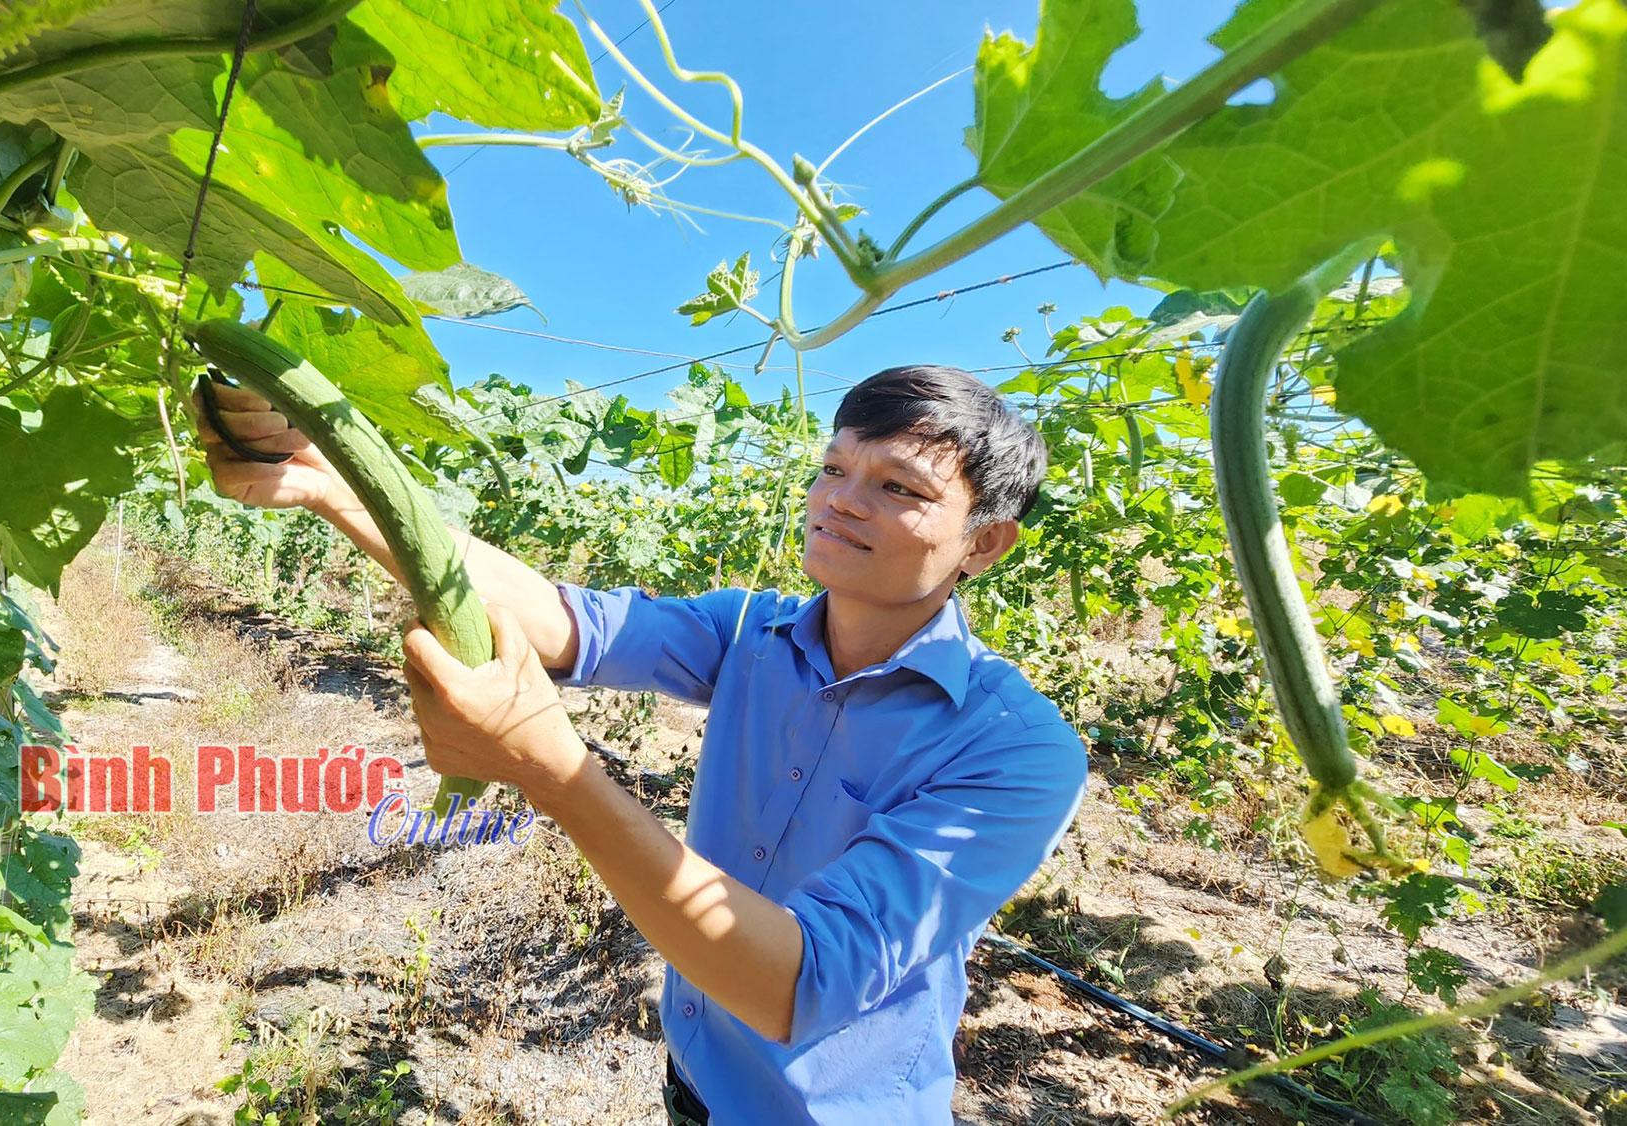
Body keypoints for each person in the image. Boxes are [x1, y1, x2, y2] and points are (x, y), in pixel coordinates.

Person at [195, 364, 1088, 1124]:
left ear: (986, 541)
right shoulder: (750, 631)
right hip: (695, 1074)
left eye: (899, 488)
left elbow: (798, 984)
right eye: (832, 468)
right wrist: (330, 482)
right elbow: (556, 618)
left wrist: (549, 766)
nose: (840, 503)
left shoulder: (1016, 752)